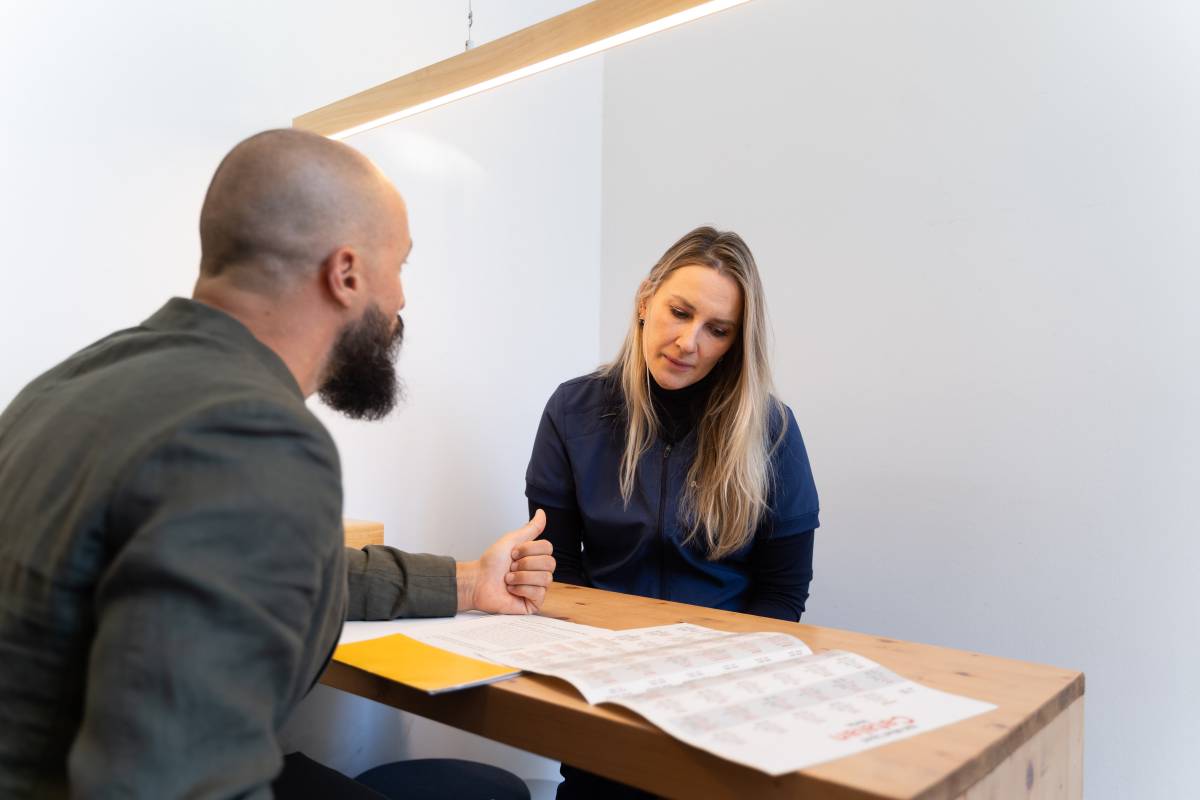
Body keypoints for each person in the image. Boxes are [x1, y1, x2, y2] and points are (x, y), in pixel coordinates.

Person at [0, 129, 554, 799]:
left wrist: (468, 583)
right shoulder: (248, 435)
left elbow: (263, 563)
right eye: (400, 266)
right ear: (346, 274)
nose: (402, 299)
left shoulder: (72, 386)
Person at [525, 227, 819, 798]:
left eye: (717, 330)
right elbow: (559, 569)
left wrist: (720, 677)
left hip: (724, 695)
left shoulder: (772, 429)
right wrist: (604, 663)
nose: (689, 342)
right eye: (679, 312)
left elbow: (782, 595)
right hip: (601, 683)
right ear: (645, 301)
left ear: (735, 342)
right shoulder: (572, 410)